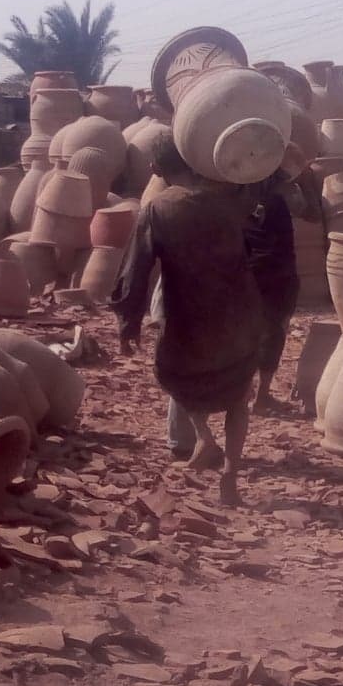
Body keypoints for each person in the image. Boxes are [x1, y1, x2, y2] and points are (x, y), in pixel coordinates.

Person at [111, 143, 263, 505]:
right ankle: (230, 475)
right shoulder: (230, 200)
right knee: (238, 395)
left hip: (188, 317)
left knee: (175, 376)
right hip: (239, 314)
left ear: (155, 167)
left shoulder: (158, 208)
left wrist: (129, 321)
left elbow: (136, 268)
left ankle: (203, 436)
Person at [244, 168, 300, 413]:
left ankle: (243, 394)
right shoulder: (277, 202)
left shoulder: (237, 201)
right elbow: (311, 212)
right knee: (274, 334)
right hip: (277, 276)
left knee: (247, 335)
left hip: (247, 274)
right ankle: (261, 397)